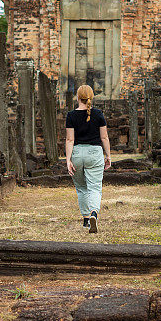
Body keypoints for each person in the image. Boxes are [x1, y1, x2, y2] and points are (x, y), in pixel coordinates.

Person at [65, 85, 111, 233]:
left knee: (81, 188)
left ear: (78, 98)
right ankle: (93, 214)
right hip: (94, 153)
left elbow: (69, 140)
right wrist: (108, 155)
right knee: (95, 187)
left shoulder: (71, 115)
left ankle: (86, 219)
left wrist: (68, 160)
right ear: (92, 97)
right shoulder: (98, 114)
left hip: (77, 153)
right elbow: (104, 137)